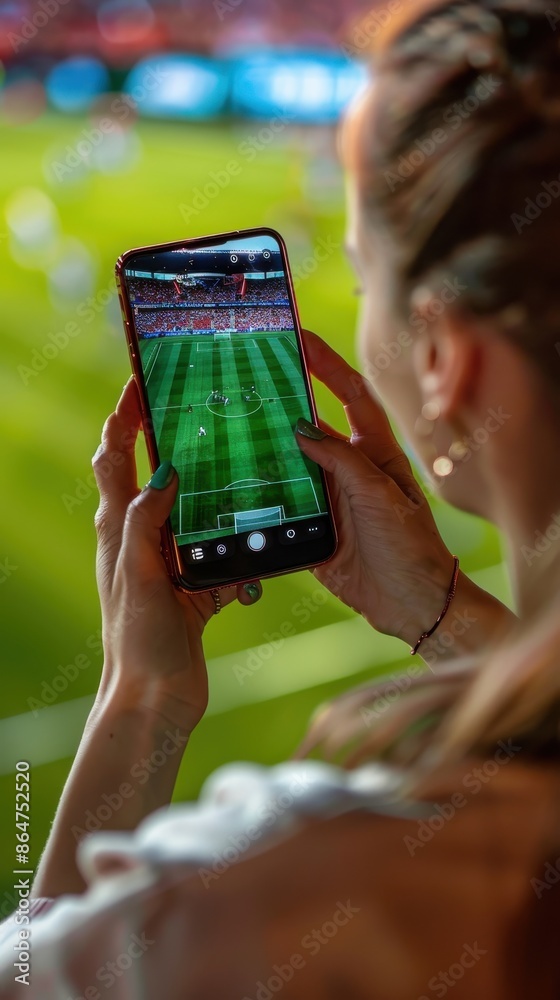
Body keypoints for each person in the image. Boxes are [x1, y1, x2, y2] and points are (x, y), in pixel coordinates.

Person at [2, 0, 560, 995]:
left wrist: (141, 699)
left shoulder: (283, 882)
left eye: (359, 271)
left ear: (439, 359)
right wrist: (439, 611)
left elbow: (35, 973)